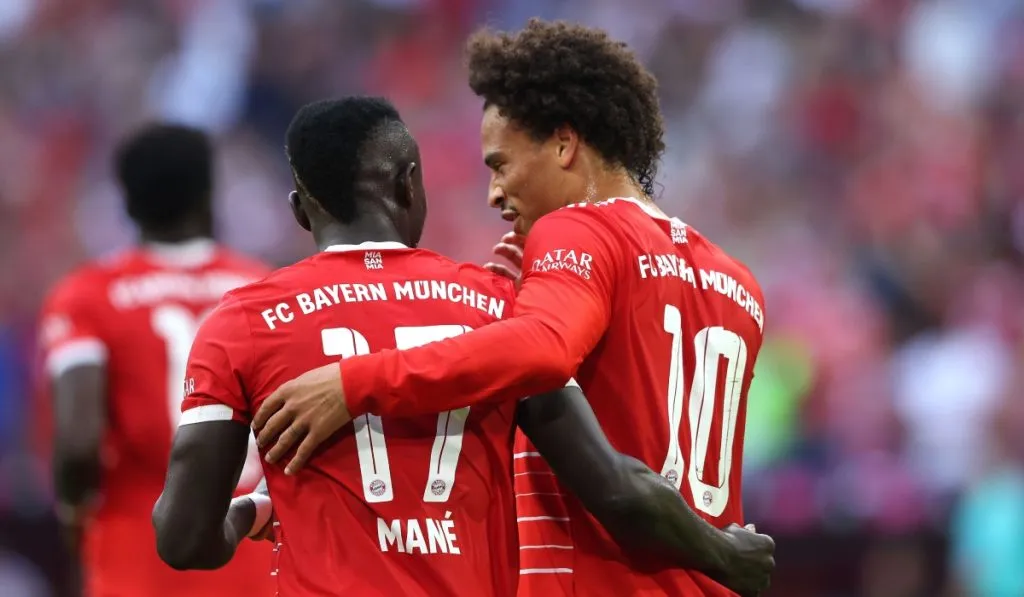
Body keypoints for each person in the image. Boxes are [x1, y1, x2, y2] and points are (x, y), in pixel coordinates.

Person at [153, 96, 773, 597]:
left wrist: (250, 513)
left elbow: (182, 540)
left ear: (298, 210)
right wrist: (723, 552)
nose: (494, 193)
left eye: (499, 167)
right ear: (409, 184)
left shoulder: (244, 320)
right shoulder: (497, 309)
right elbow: (611, 485)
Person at [37, 124, 273, 596]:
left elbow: (79, 442)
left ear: (125, 202)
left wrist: (72, 513)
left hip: (137, 559)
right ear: (210, 193)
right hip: (251, 556)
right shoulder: (264, 291)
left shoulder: (87, 296)